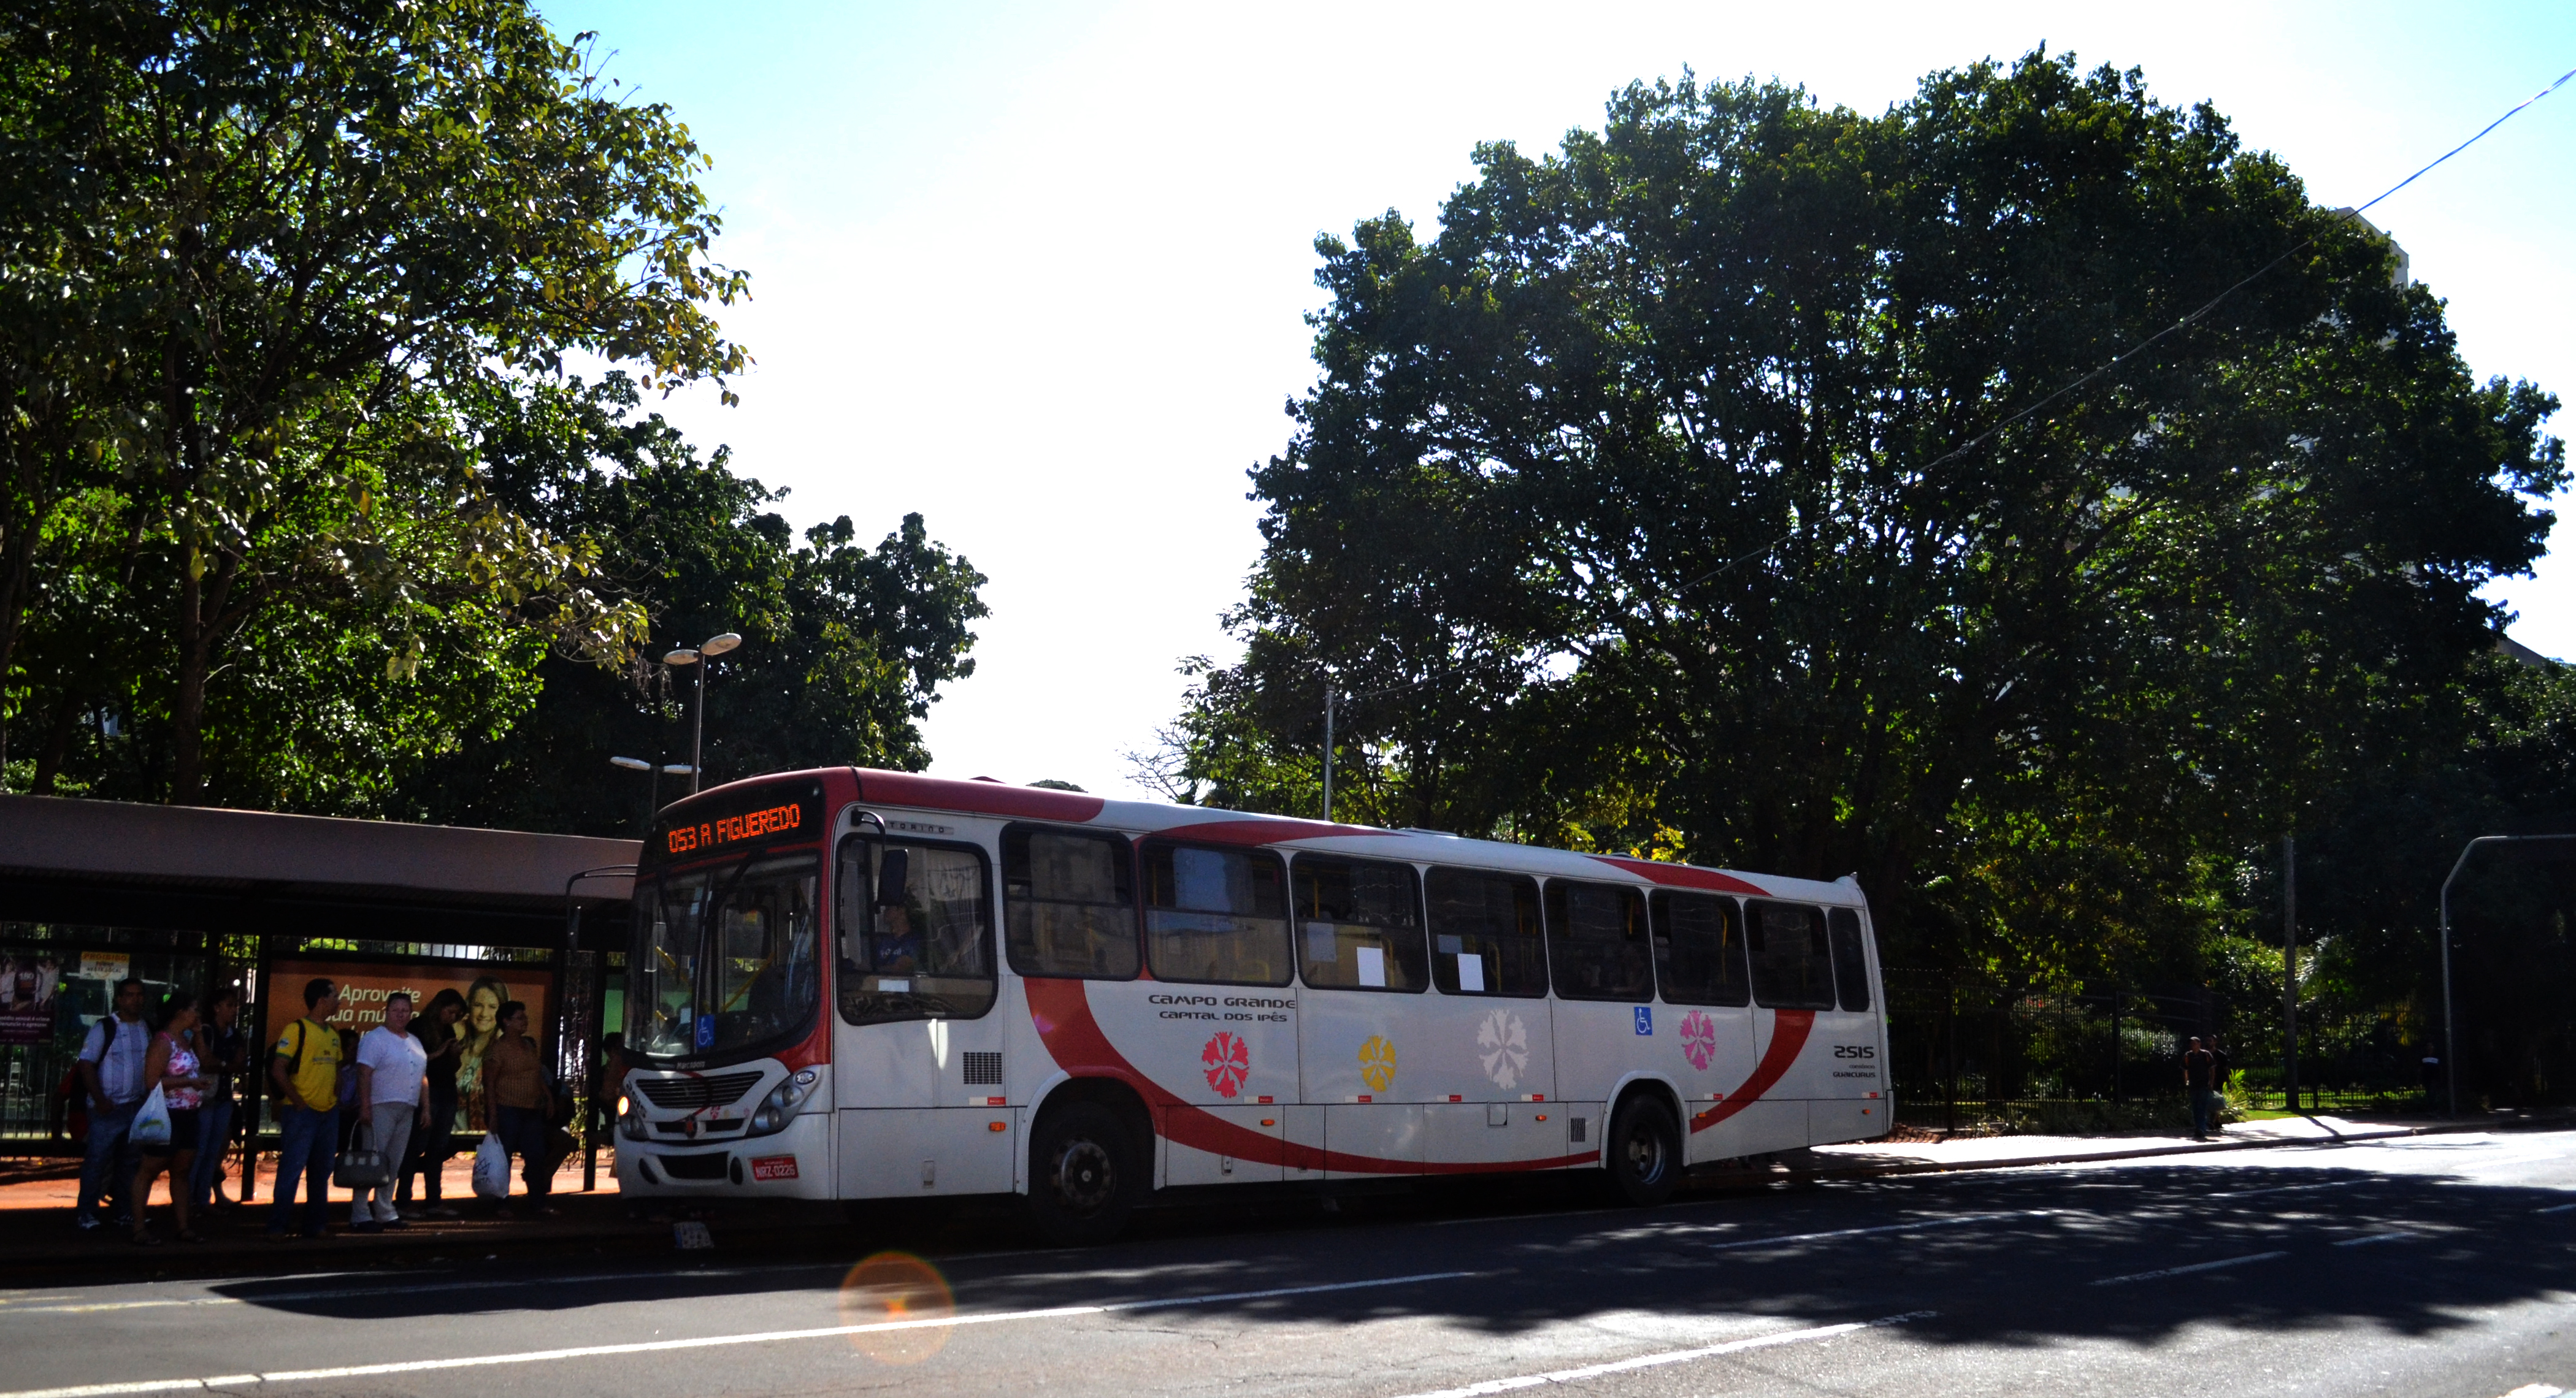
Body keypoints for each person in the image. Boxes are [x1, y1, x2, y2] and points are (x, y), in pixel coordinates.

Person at [266, 978, 345, 1239]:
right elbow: (278, 1069)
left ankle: (316, 1224)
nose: (339, 1000)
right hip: (302, 1113)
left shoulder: (333, 1034)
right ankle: (278, 1226)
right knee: (291, 1169)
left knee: (321, 1172)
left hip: (327, 1112)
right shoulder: (296, 1029)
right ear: (322, 1000)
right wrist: (298, 1101)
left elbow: (337, 1069)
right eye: (335, 995)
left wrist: (336, 1097)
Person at [73, 978, 152, 1232]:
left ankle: (123, 1211)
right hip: (107, 1108)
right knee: (97, 1162)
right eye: (129, 995)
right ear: (119, 999)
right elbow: (85, 1064)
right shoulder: (104, 1028)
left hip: (135, 1107)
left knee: (130, 1164)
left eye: (139, 995)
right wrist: (100, 1100)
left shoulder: (146, 1028)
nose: (135, 1000)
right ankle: (86, 1212)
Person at [129, 993, 209, 1245]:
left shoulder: (185, 1039)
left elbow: (205, 1059)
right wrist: (189, 1082)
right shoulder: (163, 1042)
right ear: (179, 1012)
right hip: (168, 1115)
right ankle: (139, 1228)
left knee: (182, 1170)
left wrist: (198, 1034)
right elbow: (152, 1082)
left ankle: (183, 1227)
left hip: (189, 1115)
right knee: (149, 1169)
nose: (197, 1014)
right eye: (194, 1009)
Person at [352, 991, 431, 1232]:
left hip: (407, 1108)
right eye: (396, 1010)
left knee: (393, 1163)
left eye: (405, 1011)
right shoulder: (375, 1039)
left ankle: (385, 1210)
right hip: (380, 1107)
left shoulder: (414, 1042)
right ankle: (360, 1214)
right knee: (372, 1160)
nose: (401, 1015)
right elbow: (364, 1073)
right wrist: (365, 1106)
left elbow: (422, 1078)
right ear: (386, 1011)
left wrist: (426, 1107)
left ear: (411, 1014)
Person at [481, 999, 558, 1218]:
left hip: (531, 1110)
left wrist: (548, 1097)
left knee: (536, 1157)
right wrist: (493, 1115)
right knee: (503, 1158)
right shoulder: (497, 1050)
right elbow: (489, 1084)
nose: (525, 1022)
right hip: (508, 1110)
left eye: (525, 1017)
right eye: (519, 1018)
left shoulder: (527, 1046)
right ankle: (501, 1203)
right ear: (506, 1022)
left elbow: (535, 1074)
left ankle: (538, 1202)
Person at [399, 988, 467, 1218]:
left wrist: (455, 1054)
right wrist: (440, 1052)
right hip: (425, 1093)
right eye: (451, 1012)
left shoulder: (447, 1029)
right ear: (440, 1006)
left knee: (437, 1149)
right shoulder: (418, 1027)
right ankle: (403, 1200)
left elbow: (453, 1066)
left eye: (457, 1015)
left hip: (447, 1090)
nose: (453, 1018)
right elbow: (414, 1060)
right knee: (415, 1147)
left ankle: (433, 1200)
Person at [187, 987, 247, 1212]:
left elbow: (238, 1063)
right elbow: (205, 1062)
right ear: (217, 1007)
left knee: (213, 1152)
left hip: (222, 1098)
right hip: (204, 1099)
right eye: (230, 1005)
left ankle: (202, 1199)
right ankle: (190, 1199)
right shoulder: (205, 1031)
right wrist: (226, 1066)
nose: (234, 1010)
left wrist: (220, 1065)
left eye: (235, 1005)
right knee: (200, 1150)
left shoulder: (234, 1034)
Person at [453, 976, 508, 1130]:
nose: (484, 1013)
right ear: (469, 1006)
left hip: (482, 1138)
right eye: (478, 1005)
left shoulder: (502, 1049)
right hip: (445, 1136)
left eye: (493, 1007)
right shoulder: (454, 1038)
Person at [2183, 1035, 2219, 1141]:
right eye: (2191, 1044)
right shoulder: (2188, 1056)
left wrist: (2211, 1083)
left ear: (2199, 1044)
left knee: (2202, 1106)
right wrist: (2186, 1082)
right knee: (2195, 1106)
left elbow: (2212, 1070)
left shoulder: (2206, 1054)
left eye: (2194, 1043)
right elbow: (2184, 1070)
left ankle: (2201, 1128)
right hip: (2193, 1084)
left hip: (2204, 1084)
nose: (2192, 1045)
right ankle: (2198, 1126)